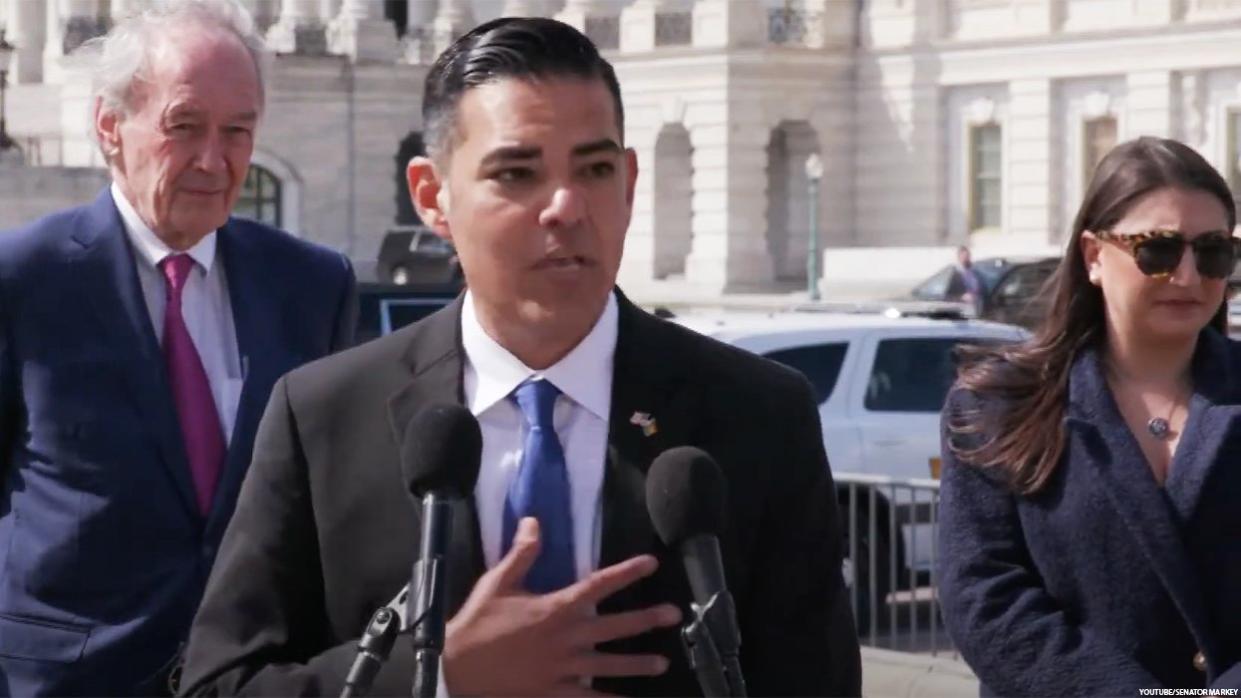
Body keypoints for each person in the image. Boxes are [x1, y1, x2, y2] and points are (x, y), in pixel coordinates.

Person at [178, 17, 861, 697]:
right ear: (431, 197)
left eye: (593, 169)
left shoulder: (759, 413)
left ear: (628, 183)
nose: (565, 206)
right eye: (516, 173)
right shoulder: (323, 416)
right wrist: (441, 678)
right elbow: (218, 685)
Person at [0, 2, 356, 694]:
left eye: (238, 132)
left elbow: (326, 508)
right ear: (110, 127)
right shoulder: (23, 282)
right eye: (184, 127)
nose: (213, 160)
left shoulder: (314, 287)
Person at [937, 136, 1241, 695]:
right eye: (1159, 249)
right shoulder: (999, 403)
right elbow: (983, 593)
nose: (1189, 276)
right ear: (1095, 257)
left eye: (1216, 250)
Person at [946, 245, 985, 315]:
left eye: (968, 256)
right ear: (959, 257)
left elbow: (982, 288)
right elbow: (949, 295)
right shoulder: (955, 274)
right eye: (964, 256)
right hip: (963, 309)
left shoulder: (975, 272)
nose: (966, 258)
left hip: (977, 307)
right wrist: (961, 297)